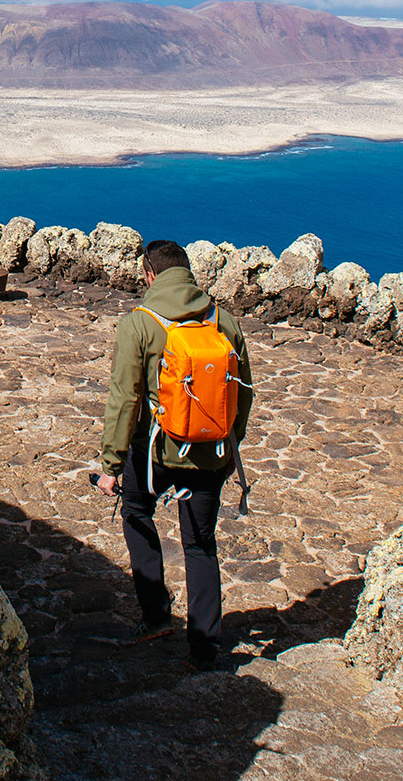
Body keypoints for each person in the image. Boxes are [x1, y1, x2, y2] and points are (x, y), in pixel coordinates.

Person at [96, 239, 255, 672]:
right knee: (201, 546)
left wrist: (111, 466)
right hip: (212, 455)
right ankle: (204, 649)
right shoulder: (225, 321)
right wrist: (227, 446)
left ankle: (155, 616)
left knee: (134, 510)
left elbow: (124, 400)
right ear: (187, 272)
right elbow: (244, 395)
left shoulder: (139, 324)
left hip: (154, 457)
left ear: (150, 274)